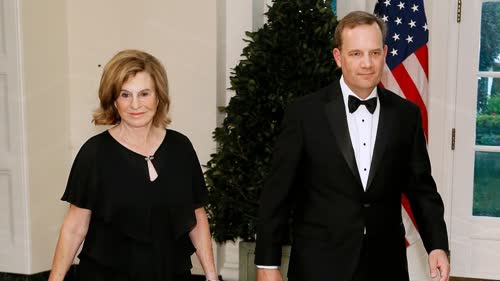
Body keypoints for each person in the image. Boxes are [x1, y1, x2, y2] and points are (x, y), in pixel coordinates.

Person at [254, 11, 450, 281]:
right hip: (319, 264)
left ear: (385, 53)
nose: (367, 63)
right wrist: (267, 263)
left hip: (386, 264)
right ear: (338, 57)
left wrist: (437, 244)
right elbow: (277, 195)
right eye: (356, 53)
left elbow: (421, 189)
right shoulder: (304, 114)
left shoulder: (406, 115)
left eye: (374, 53)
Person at [48, 49, 218, 281]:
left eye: (144, 94)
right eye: (125, 95)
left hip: (170, 273)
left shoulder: (180, 147)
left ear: (159, 97)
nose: (135, 104)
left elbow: (196, 217)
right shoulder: (95, 153)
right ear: (114, 101)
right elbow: (75, 227)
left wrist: (211, 275)